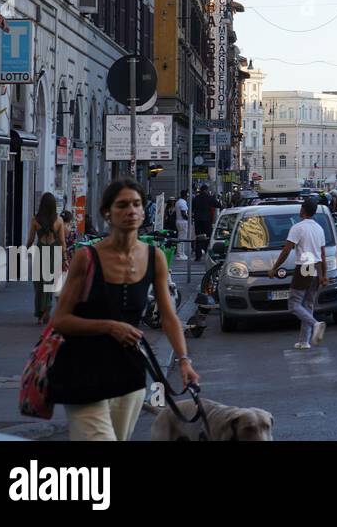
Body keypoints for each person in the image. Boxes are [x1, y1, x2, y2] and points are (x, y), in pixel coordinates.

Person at [48, 179, 198, 441]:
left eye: (136, 204)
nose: (131, 211)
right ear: (107, 213)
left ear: (143, 211)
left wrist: (184, 361)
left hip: (128, 374)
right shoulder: (87, 258)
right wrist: (109, 326)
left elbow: (169, 316)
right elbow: (60, 319)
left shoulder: (154, 257)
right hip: (83, 371)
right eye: (122, 205)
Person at [268, 197, 328, 350]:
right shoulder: (319, 229)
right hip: (315, 267)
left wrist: (275, 267)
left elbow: (287, 250)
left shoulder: (298, 228)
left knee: (294, 304)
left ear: (303, 210)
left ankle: (316, 324)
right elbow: (322, 254)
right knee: (308, 304)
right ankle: (304, 341)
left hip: (304, 267)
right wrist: (323, 275)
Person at [28, 192, 67, 324]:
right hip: (54, 251)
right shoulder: (59, 221)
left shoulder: (35, 220)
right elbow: (62, 242)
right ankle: (47, 310)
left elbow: (31, 239)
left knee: (39, 283)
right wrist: (65, 259)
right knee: (49, 282)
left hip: (40, 251)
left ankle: (40, 313)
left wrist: (25, 250)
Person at [191, 185, 219, 262]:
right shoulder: (209, 198)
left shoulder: (196, 198)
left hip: (198, 220)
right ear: (206, 190)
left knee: (199, 237)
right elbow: (218, 205)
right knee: (208, 237)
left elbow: (191, 208)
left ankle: (198, 256)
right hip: (207, 220)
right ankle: (207, 253)